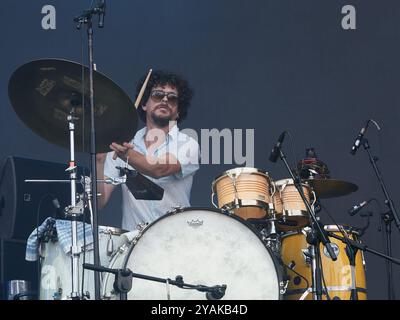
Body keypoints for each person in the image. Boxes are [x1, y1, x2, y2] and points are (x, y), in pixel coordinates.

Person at [96, 70, 200, 231]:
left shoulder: (188, 143)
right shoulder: (125, 144)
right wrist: (99, 161)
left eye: (172, 98)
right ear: (144, 104)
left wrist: (126, 154)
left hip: (177, 241)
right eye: (158, 95)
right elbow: (99, 202)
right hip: (135, 246)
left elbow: (159, 169)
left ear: (178, 111)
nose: (165, 99)